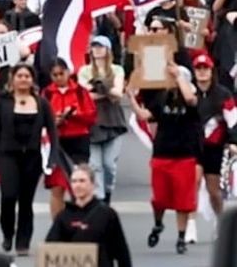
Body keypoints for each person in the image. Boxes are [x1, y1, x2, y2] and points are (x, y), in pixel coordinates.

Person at [0, 63, 59, 256]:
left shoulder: (42, 103)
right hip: (7, 155)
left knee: (26, 202)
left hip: (33, 157)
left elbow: (52, 131)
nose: (23, 79)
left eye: (27, 76)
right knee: (9, 196)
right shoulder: (1, 102)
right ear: (13, 79)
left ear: (32, 80)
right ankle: (8, 233)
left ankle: (23, 242)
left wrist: (53, 157)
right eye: (20, 76)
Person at [131, 62, 200, 255]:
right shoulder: (163, 98)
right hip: (162, 154)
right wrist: (131, 98)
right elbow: (145, 115)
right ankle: (158, 224)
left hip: (184, 155)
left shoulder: (192, 99)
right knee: (159, 199)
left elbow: (190, 98)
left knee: (183, 201)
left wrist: (179, 76)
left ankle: (181, 236)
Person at [45, 165, 132, 267]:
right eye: (74, 181)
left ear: (93, 185)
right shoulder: (63, 216)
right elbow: (50, 250)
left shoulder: (107, 214)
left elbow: (121, 252)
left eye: (82, 181)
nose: (77, 185)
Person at [42, 58, 97, 219]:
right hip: (55, 143)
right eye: (55, 74)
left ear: (68, 72)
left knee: (79, 185)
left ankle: (81, 223)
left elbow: (92, 116)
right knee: (57, 187)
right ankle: (58, 226)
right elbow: (40, 118)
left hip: (78, 140)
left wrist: (73, 115)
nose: (59, 77)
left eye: (61, 73)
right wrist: (54, 120)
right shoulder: (46, 93)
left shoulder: (80, 91)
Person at [77, 36, 127, 205]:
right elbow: (85, 94)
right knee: (95, 166)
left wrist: (101, 88)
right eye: (94, 47)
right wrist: (106, 91)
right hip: (92, 122)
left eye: (101, 47)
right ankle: (100, 200)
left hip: (113, 120)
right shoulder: (84, 70)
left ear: (108, 50)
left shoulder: (117, 69)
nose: (97, 50)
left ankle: (108, 191)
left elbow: (119, 93)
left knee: (109, 165)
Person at [191, 52, 236, 221]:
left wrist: (233, 141)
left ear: (211, 71)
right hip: (193, 146)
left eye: (205, 69)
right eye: (198, 69)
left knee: (214, 191)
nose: (202, 72)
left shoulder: (223, 94)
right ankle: (189, 225)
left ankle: (220, 220)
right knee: (192, 183)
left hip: (215, 148)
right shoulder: (189, 93)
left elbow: (233, 120)